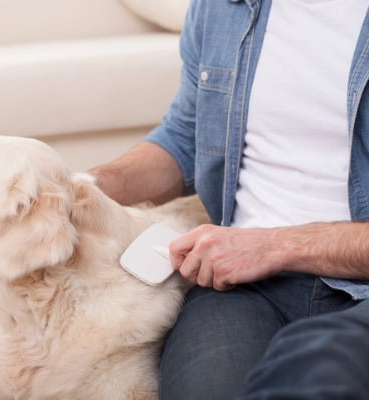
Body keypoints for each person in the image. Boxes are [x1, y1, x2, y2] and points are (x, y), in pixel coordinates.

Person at [89, 0, 369, 399]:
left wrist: (276, 245)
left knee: (320, 374)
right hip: (241, 285)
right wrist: (77, 190)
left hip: (355, 286)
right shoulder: (223, 7)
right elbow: (187, 137)